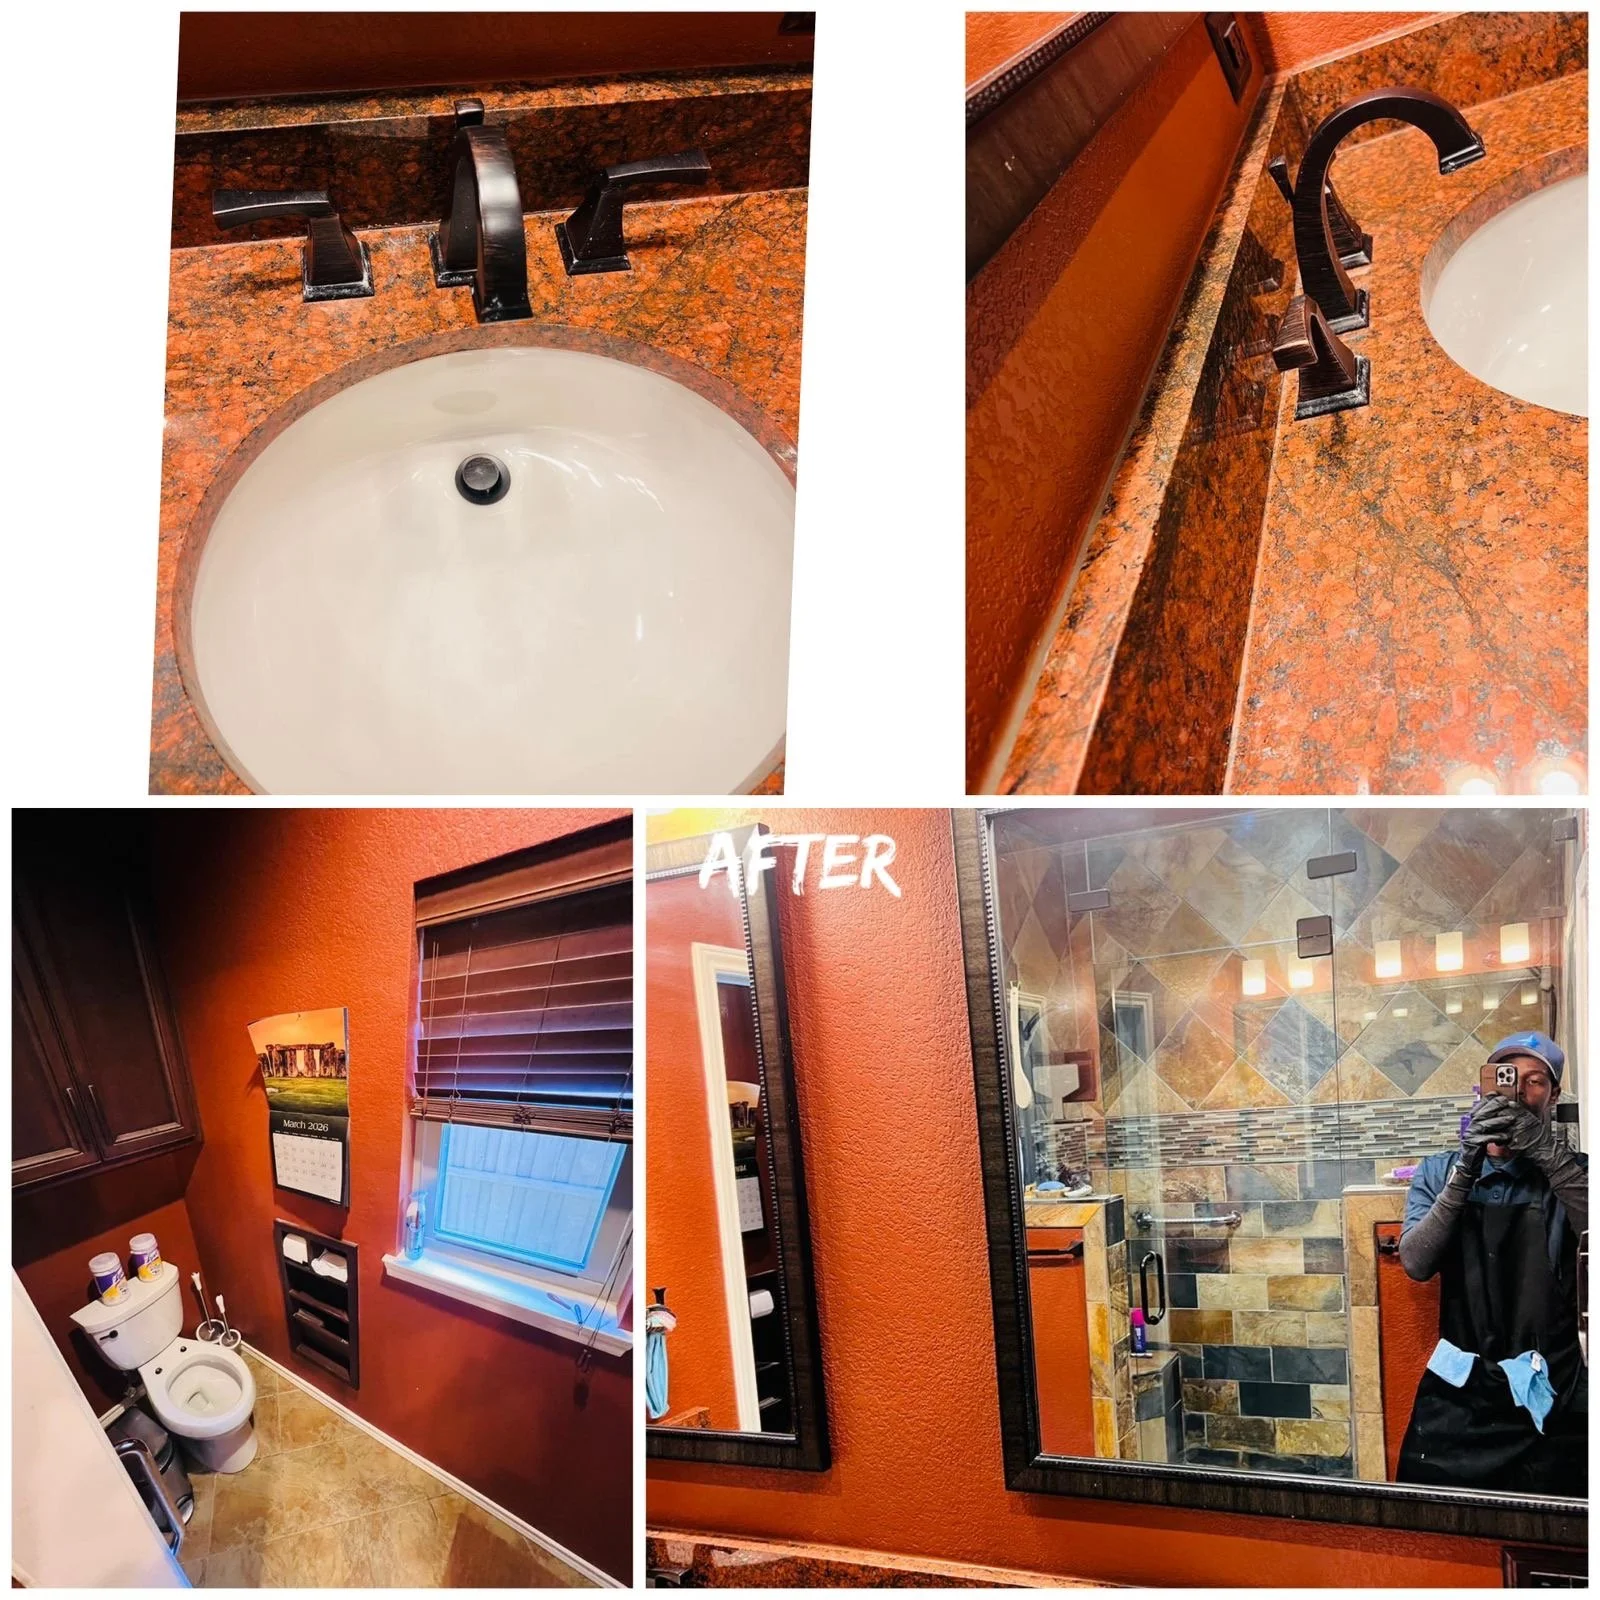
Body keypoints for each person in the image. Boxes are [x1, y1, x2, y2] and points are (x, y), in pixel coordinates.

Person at [1395, 1031, 1587, 1493]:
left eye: (1535, 1081)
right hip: (1463, 1386)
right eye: (1505, 1077)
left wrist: (1548, 1154)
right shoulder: (1439, 1171)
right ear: (1482, 1088)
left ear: (1554, 1095)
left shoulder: (1576, 1171)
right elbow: (1416, 1264)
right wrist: (1467, 1165)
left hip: (1553, 1385)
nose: (1518, 1091)